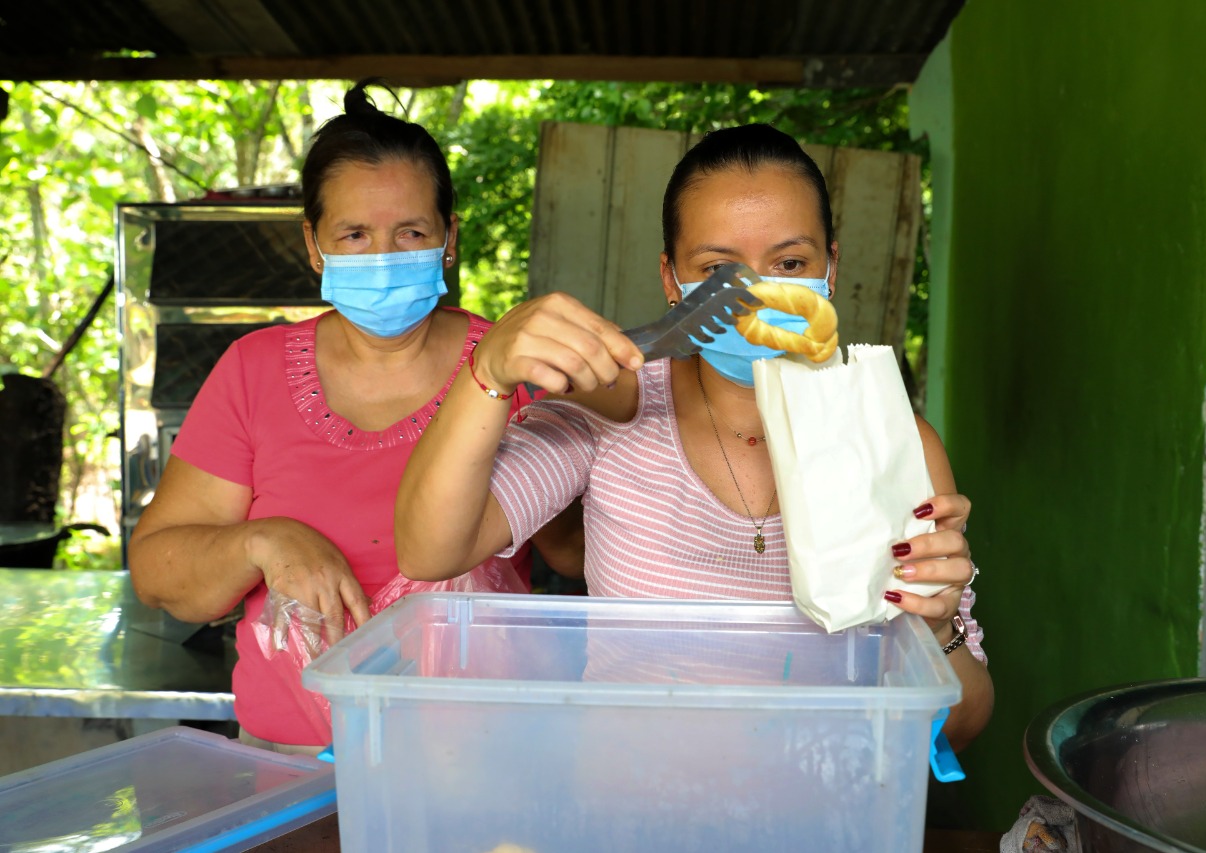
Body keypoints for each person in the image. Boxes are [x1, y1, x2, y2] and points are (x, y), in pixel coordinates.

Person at [395, 124, 994, 749]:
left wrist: (937, 628)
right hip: (630, 809)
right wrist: (486, 373)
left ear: (831, 268)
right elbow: (430, 550)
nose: (755, 294)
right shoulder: (612, 412)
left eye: (789, 263)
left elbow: (965, 721)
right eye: (717, 268)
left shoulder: (894, 442)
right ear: (671, 280)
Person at [127, 79, 577, 753]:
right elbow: (162, 577)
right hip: (287, 769)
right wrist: (265, 541)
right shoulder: (254, 372)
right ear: (315, 245)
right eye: (355, 234)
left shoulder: (516, 371)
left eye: (411, 232)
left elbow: (579, 556)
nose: (385, 257)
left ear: (448, 239)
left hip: (476, 762)